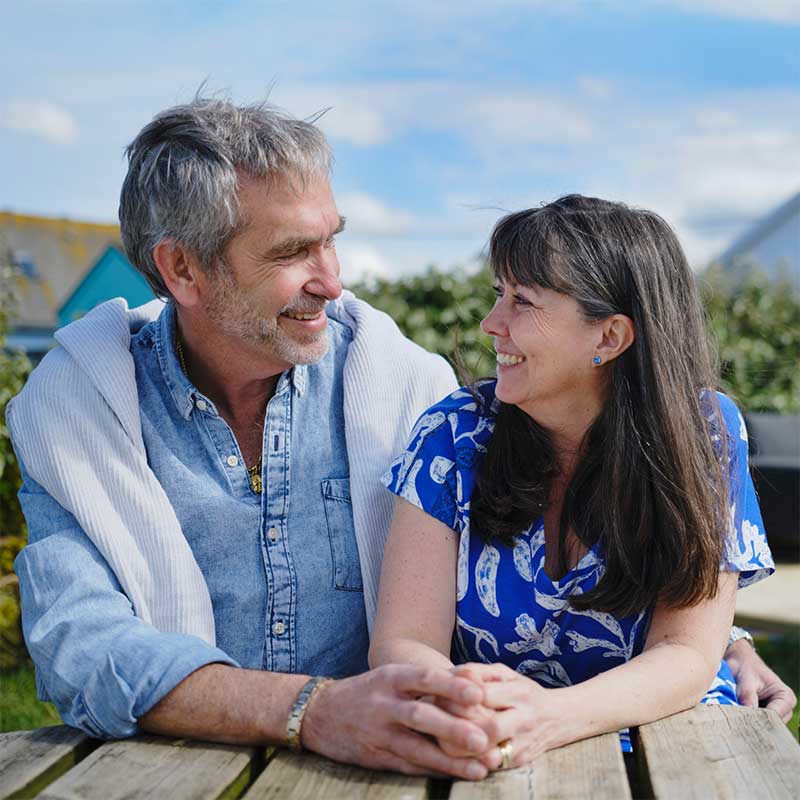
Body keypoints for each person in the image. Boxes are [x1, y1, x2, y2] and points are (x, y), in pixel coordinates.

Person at [7, 101, 792, 778]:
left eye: (331, 240)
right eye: (290, 253)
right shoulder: (80, 414)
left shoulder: (400, 385)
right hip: (178, 769)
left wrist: (709, 644)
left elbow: (630, 555)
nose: (333, 279)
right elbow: (82, 650)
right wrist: (313, 711)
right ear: (182, 270)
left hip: (407, 771)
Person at [370, 195, 795, 770]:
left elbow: (687, 653)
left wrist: (546, 719)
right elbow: (404, 642)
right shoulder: (454, 431)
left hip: (668, 746)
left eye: (523, 301)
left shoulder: (704, 433)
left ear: (610, 338)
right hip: (482, 745)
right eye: (500, 293)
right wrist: (481, 717)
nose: (491, 324)